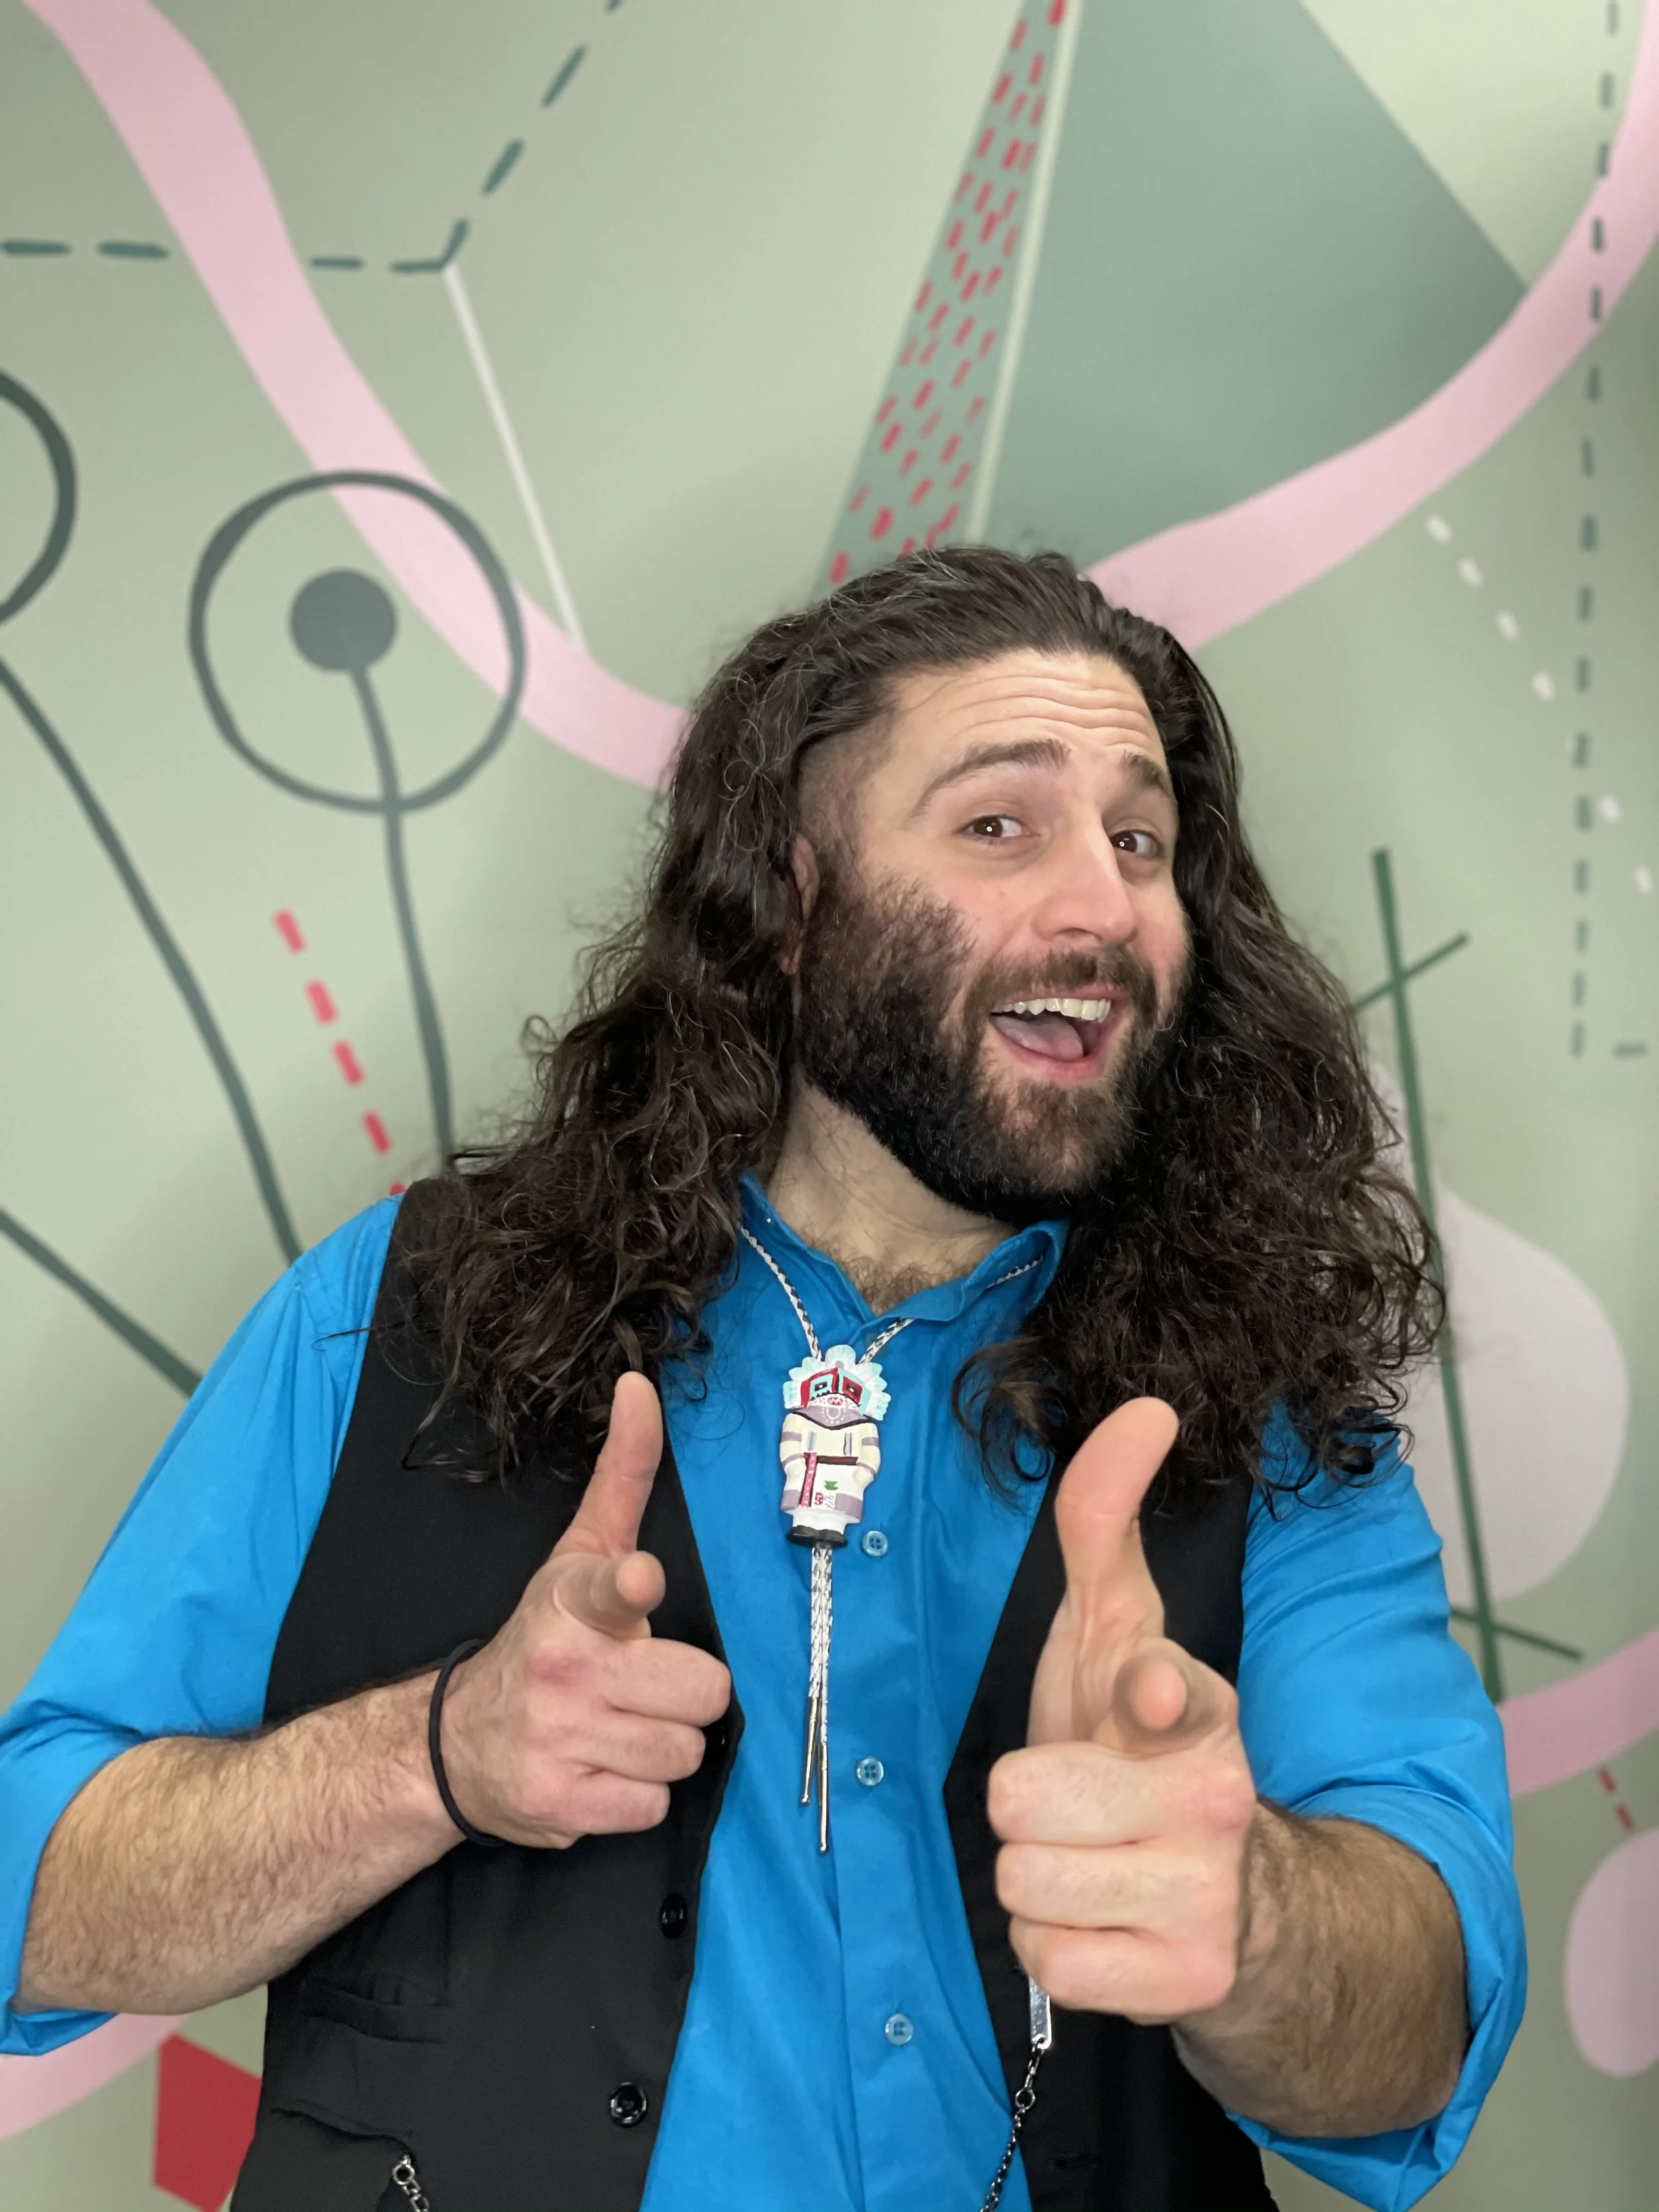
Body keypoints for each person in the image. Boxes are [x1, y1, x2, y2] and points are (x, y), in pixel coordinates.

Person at [0, 550, 1523, 2212]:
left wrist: (1248, 1912)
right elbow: (35, 1888)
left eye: (1138, 838)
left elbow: (1418, 2031)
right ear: (793, 902)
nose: (1103, 906)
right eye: (998, 823)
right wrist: (435, 1754)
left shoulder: (1268, 1412)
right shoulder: (393, 1311)